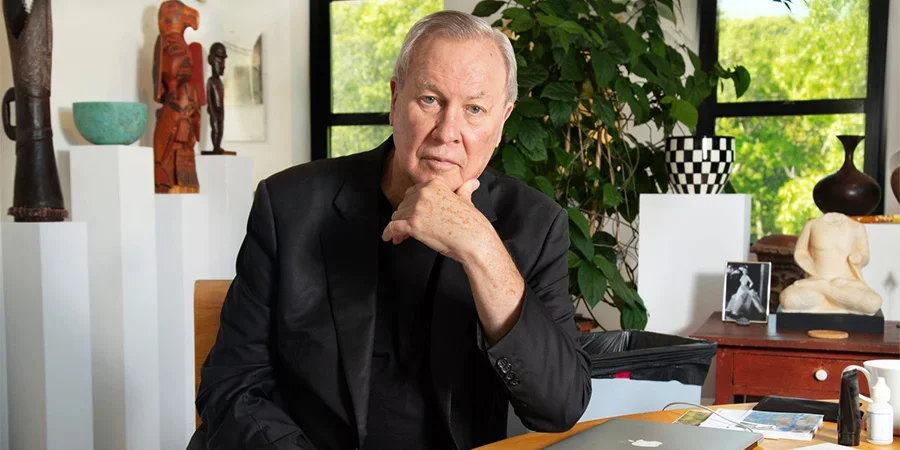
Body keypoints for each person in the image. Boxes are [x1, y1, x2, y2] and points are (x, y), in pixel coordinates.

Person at [194, 10, 592, 450]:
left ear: (502, 121)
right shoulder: (289, 204)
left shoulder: (535, 223)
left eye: (475, 109)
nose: (448, 132)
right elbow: (231, 386)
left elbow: (558, 406)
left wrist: (480, 247)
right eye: (430, 100)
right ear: (395, 98)